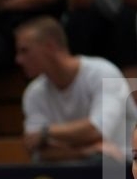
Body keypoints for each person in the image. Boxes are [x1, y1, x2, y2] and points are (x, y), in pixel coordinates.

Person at [17, 16, 130, 163]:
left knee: (100, 160)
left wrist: (46, 132)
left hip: (124, 168)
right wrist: (85, 151)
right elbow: (37, 149)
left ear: (50, 47)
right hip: (77, 163)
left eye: (25, 50)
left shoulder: (103, 74)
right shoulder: (33, 93)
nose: (18, 59)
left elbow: (97, 130)